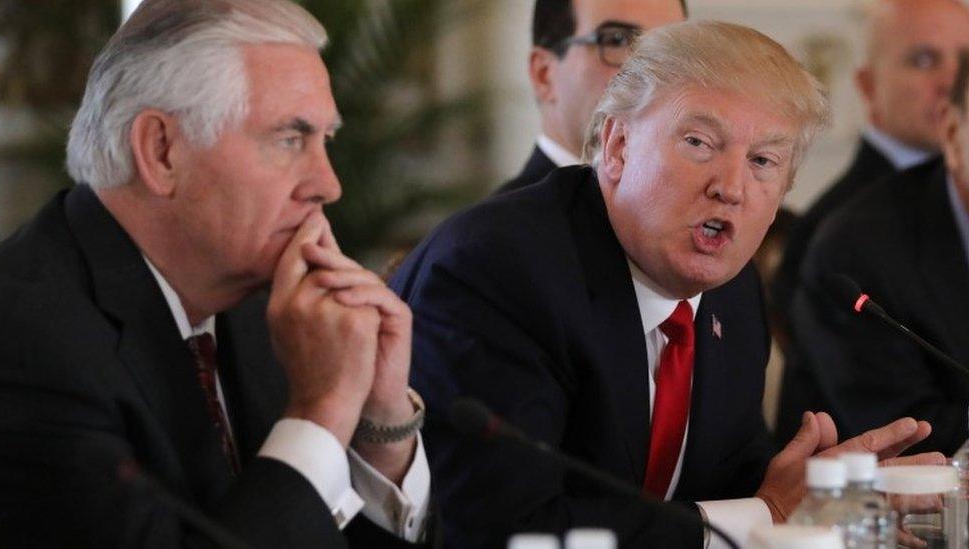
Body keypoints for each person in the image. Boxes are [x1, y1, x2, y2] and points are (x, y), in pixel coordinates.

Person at [390, 20, 940, 549]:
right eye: (699, 142)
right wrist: (763, 516)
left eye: (763, 160)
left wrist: (821, 501)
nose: (730, 187)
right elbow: (505, 528)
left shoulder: (734, 293)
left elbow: (736, 488)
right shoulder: (502, 269)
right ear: (618, 147)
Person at [0, 0, 430, 547]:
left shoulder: (266, 309)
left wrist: (379, 421)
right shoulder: (22, 340)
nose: (328, 184)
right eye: (290, 139)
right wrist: (321, 411)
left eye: (326, 141)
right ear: (162, 150)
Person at [774, 0, 969, 440]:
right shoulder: (844, 232)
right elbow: (903, 427)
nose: (952, 80)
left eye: (966, 59)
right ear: (867, 84)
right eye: (923, 59)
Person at [496, 0, 686, 194]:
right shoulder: (500, 222)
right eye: (616, 40)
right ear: (543, 74)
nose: (653, 73)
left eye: (669, 47)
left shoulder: (694, 212)